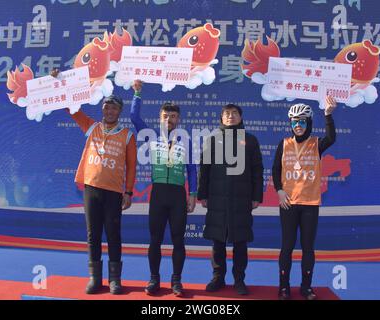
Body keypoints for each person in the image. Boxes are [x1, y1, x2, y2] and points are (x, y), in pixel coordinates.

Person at [51, 69, 137, 295]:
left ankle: (115, 280)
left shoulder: (127, 135)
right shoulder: (91, 126)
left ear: (119, 111)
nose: (110, 111)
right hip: (91, 188)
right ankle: (95, 278)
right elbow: (72, 108)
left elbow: (132, 166)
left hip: (113, 192)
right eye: (107, 107)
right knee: (93, 234)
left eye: (114, 108)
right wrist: (60, 83)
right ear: (102, 110)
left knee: (113, 234)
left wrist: (128, 192)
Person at [129, 80, 197, 297]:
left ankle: (177, 281)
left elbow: (192, 169)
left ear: (178, 119)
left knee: (179, 239)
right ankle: (154, 279)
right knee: (155, 239)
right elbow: (133, 117)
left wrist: (193, 194)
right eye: (166, 116)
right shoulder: (151, 135)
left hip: (178, 194)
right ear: (160, 118)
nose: (169, 119)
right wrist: (138, 93)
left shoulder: (185, 140)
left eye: (173, 116)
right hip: (158, 193)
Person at [272, 96, 337, 300]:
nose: (297, 125)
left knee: (308, 247)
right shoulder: (284, 144)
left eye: (301, 121)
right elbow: (275, 170)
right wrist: (279, 191)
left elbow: (332, 138)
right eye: (294, 122)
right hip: (288, 203)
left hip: (310, 203)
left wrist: (328, 115)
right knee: (287, 246)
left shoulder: (316, 144)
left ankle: (306, 287)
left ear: (308, 123)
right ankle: (284, 287)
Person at [197, 104, 264, 295]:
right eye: (227, 114)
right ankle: (218, 277)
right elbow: (205, 169)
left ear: (241, 117)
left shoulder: (250, 140)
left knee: (240, 241)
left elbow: (258, 171)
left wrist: (256, 196)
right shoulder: (213, 139)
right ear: (221, 118)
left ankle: (239, 280)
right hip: (217, 199)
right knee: (217, 240)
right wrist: (203, 194)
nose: (231, 116)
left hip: (241, 199)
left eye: (234, 113)